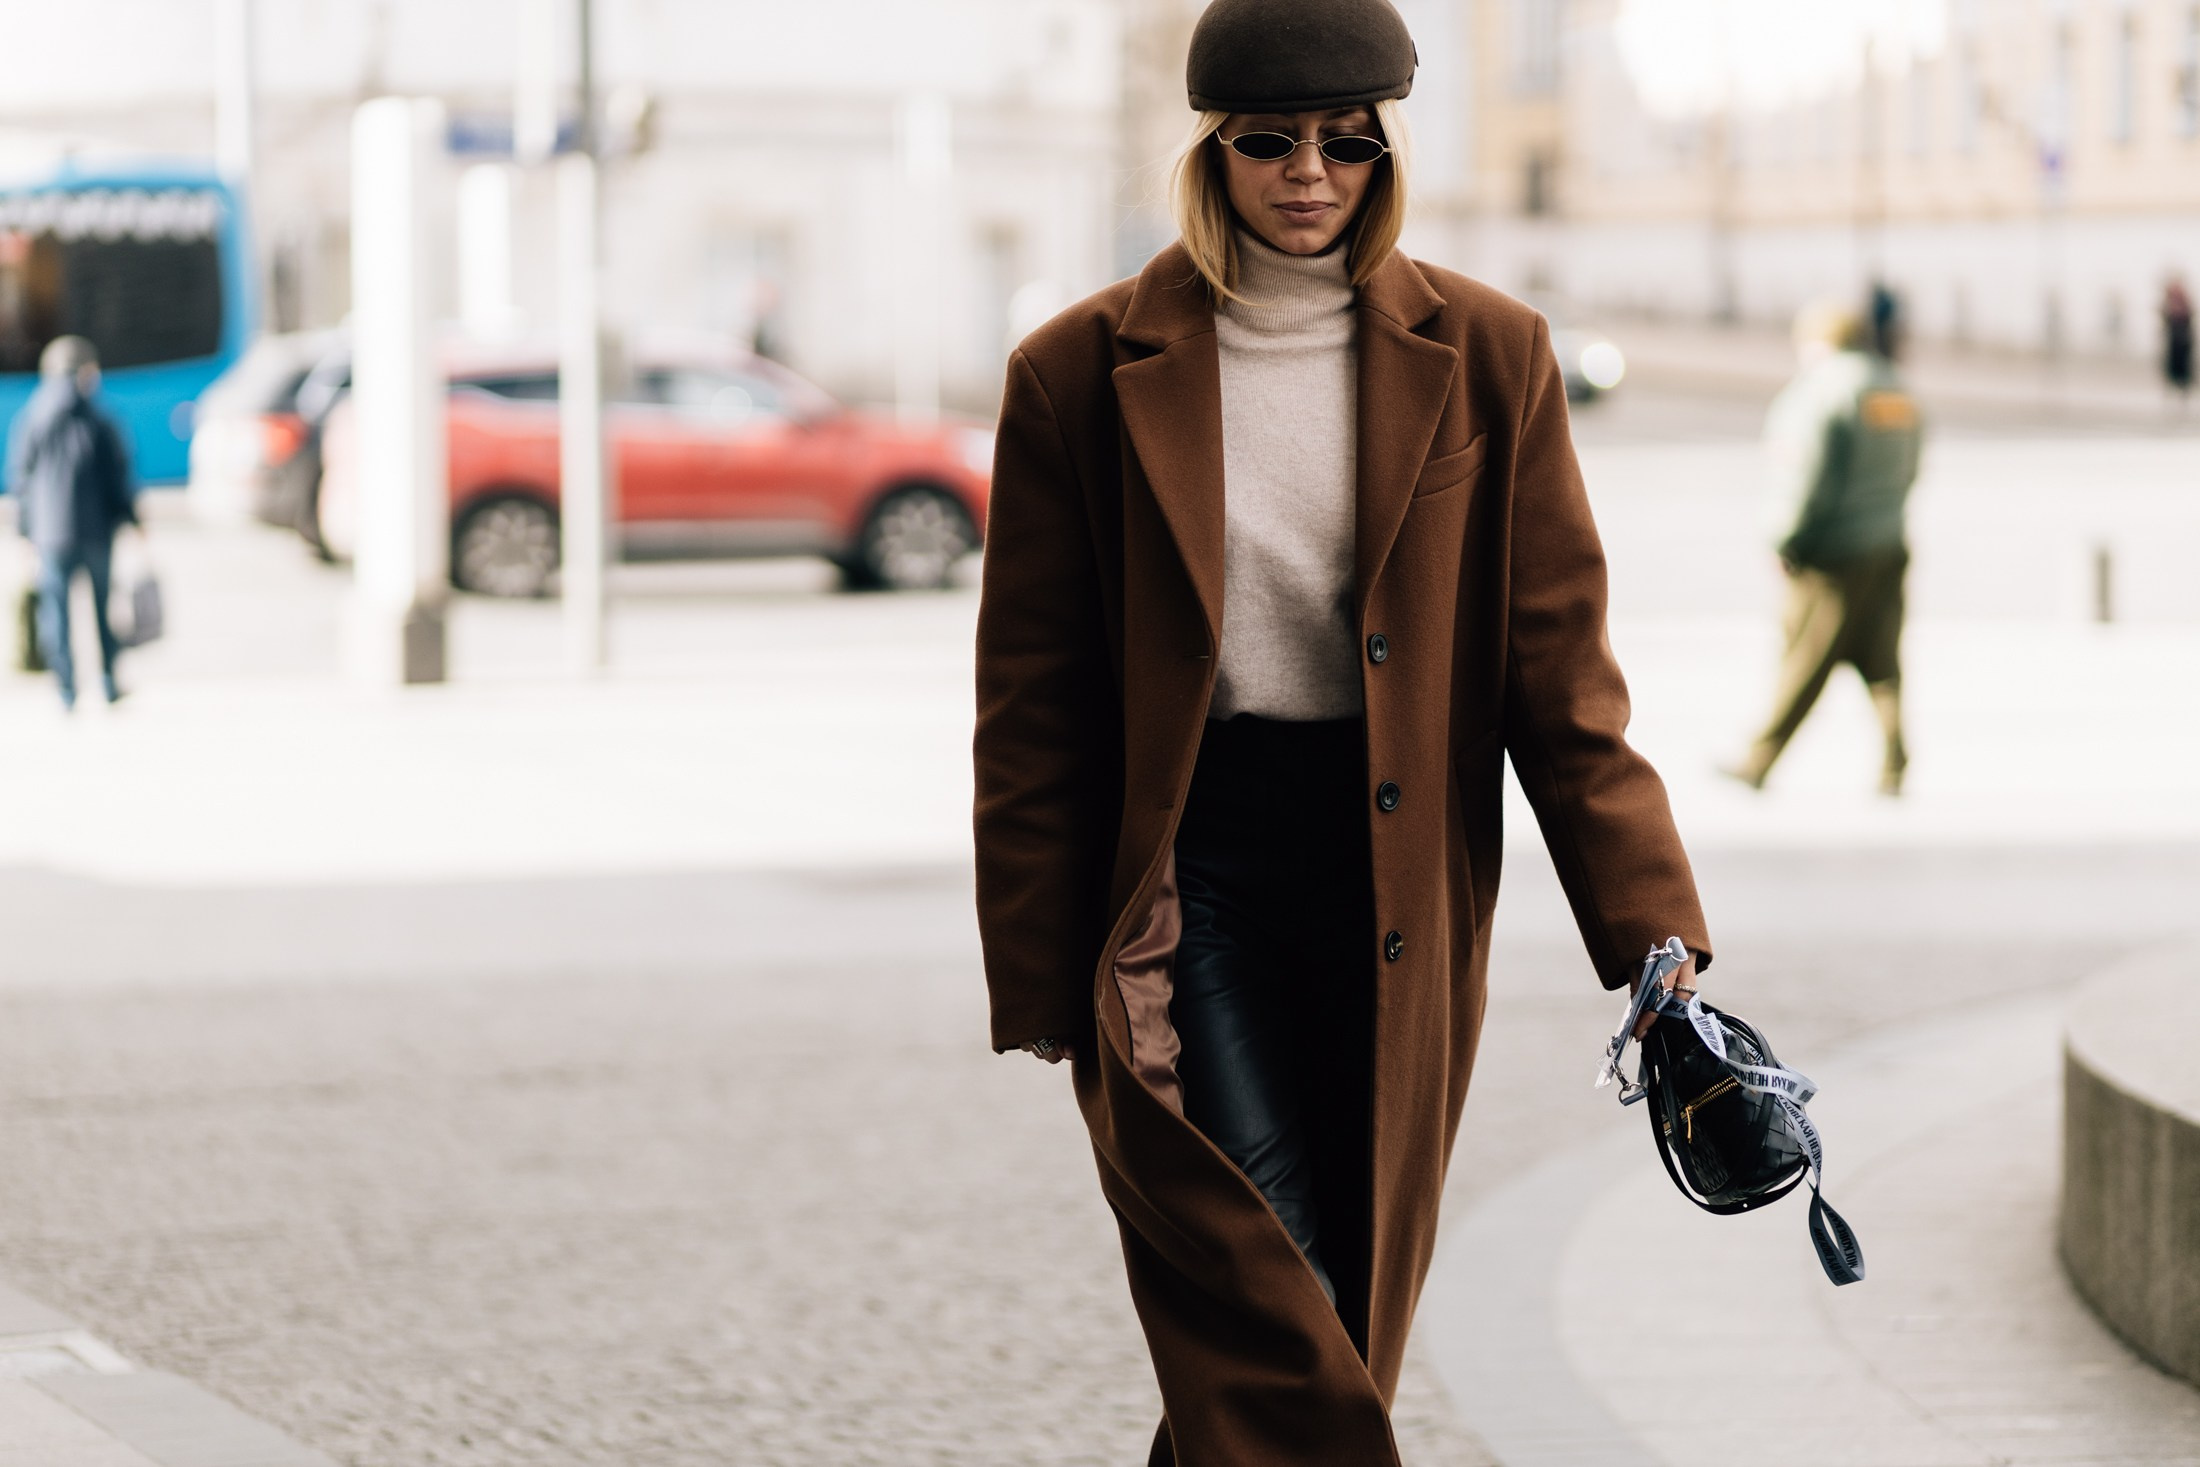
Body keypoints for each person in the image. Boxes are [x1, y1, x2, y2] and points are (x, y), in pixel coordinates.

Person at [971, 2, 1712, 1460]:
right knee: (1265, 1280)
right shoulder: (1074, 370)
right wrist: (1037, 958)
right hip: (1189, 882)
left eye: (1347, 142)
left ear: (1386, 151)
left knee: (1329, 1308)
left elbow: (1561, 677)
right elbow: (1032, 698)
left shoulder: (1492, 353)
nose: (1309, 172)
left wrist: (1656, 943)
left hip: (1398, 880)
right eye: (1270, 141)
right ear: (1212, 151)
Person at [1722, 303, 1923, 797]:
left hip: (1833, 552)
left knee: (1803, 660)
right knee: (1881, 662)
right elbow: (1912, 464)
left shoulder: (1819, 393)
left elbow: (1802, 478)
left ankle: (1758, 759)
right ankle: (1895, 760)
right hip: (1887, 542)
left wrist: (1784, 539)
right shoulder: (1895, 388)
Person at [6, 335, 138, 709]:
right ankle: (109, 680)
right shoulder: (100, 417)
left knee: (57, 613)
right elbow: (118, 476)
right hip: (96, 531)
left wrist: (25, 531)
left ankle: (66, 690)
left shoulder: (32, 417)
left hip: (51, 534)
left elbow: (21, 479)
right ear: (83, 372)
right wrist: (130, 519)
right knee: (101, 608)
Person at [2161, 274, 2194, 405]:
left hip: (2183, 337)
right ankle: (2172, 386)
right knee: (2172, 363)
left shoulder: (2184, 301)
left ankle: (2183, 387)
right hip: (2173, 337)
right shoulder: (2169, 302)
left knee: (2183, 363)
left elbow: (2190, 315)